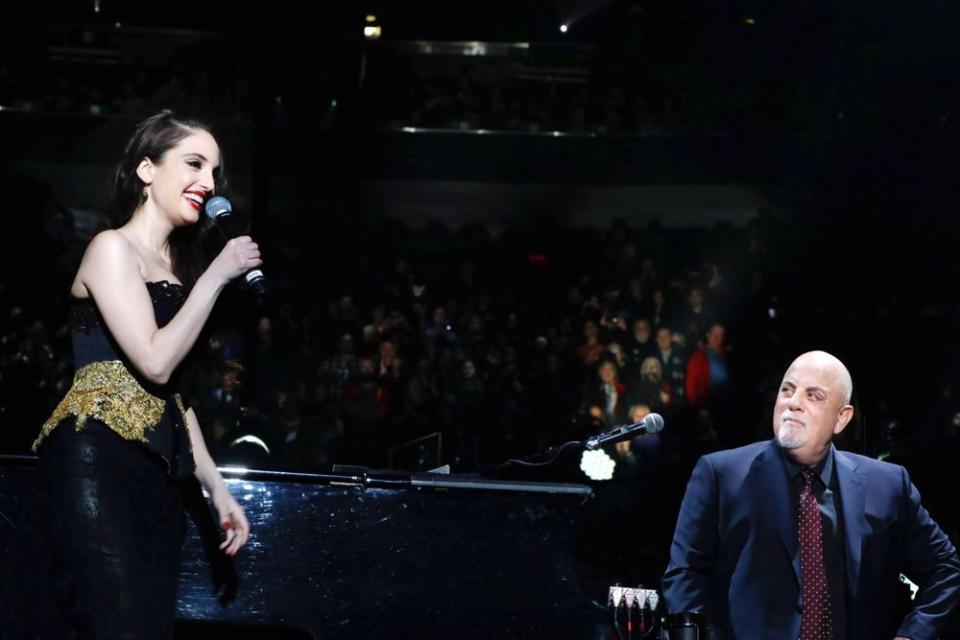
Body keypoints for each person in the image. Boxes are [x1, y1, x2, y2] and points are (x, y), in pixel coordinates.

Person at [26, 111, 259, 639]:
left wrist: (218, 491)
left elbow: (174, 397)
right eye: (194, 163)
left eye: (215, 172)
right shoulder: (110, 248)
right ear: (147, 170)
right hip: (98, 458)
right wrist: (220, 274)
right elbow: (153, 360)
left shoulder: (181, 273)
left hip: (161, 476)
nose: (208, 183)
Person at [662, 351, 960, 639]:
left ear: (842, 418)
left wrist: (912, 636)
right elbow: (685, 574)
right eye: (787, 390)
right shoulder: (721, 474)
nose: (793, 403)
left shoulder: (888, 485)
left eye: (813, 395)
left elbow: (945, 568)